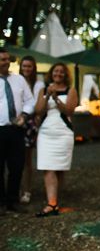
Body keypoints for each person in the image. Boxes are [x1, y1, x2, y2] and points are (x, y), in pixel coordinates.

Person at [35, 62, 79, 217]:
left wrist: (57, 98)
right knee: (48, 167)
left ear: (65, 74)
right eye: (55, 71)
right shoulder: (43, 90)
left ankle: (55, 201)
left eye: (61, 72)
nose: (58, 74)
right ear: (51, 74)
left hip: (63, 132)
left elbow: (69, 110)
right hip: (46, 132)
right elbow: (38, 110)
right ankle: (51, 203)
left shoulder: (71, 90)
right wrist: (47, 96)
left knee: (60, 168)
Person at [0, 47, 35, 215]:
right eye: (3, 60)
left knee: (17, 166)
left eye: (7, 59)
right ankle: (0, 203)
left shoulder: (19, 79)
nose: (7, 62)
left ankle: (12, 201)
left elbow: (30, 101)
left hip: (16, 129)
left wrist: (24, 115)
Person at [19, 55, 45, 205]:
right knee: (15, 160)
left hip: (30, 123)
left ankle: (26, 190)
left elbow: (37, 106)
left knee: (27, 160)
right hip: (16, 122)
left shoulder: (39, 84)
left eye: (29, 66)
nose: (26, 69)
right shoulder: (16, 81)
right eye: (24, 66)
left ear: (34, 68)